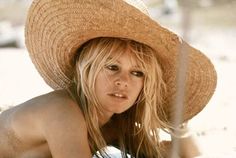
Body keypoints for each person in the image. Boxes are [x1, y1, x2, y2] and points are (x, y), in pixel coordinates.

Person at [0, 0, 217, 157]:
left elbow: (182, 154)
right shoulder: (62, 111)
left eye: (137, 73)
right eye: (112, 67)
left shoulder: (113, 124)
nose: (123, 81)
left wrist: (178, 122)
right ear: (86, 71)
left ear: (145, 85)